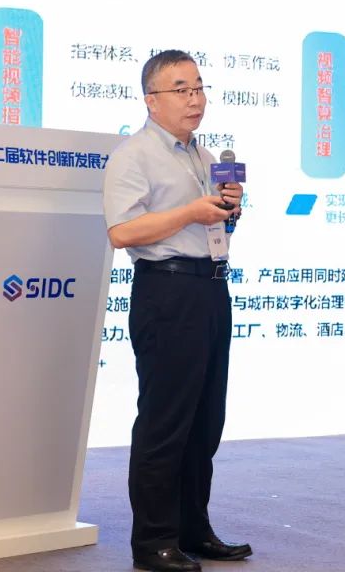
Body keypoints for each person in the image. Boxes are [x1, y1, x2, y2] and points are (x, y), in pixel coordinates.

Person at [102, 50, 251, 572]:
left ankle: (193, 529)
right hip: (166, 293)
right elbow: (121, 231)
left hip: (210, 288)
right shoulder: (133, 155)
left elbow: (212, 227)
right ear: (152, 100)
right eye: (181, 89)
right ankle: (153, 542)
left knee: (205, 421)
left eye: (199, 87)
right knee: (165, 421)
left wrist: (229, 210)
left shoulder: (204, 157)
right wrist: (190, 211)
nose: (195, 99)